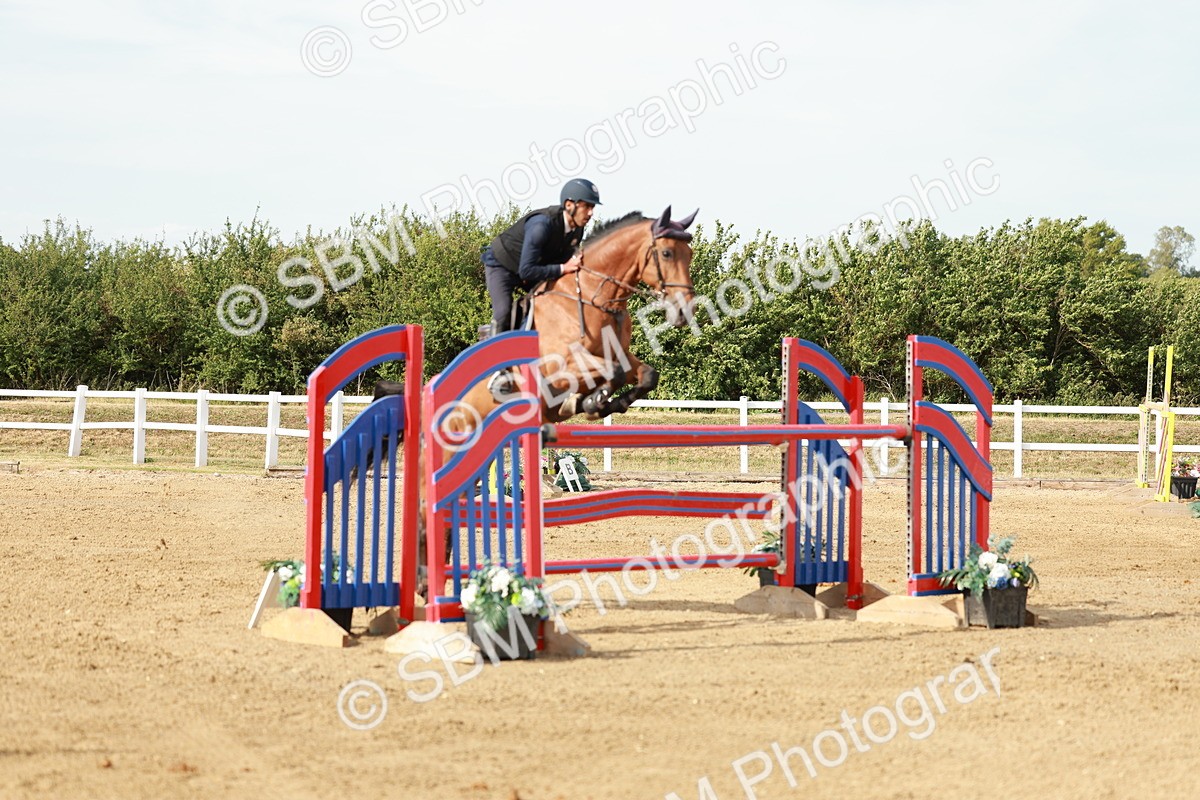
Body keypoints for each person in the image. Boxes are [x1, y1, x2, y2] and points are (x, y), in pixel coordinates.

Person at [481, 178, 601, 334]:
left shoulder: (577, 230)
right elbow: (527, 271)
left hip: (532, 268)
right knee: (503, 312)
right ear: (569, 204)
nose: (591, 213)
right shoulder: (541, 226)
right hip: (502, 264)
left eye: (592, 207)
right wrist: (563, 268)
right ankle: (493, 351)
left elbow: (562, 262)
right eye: (586, 206)